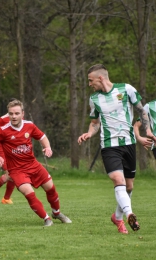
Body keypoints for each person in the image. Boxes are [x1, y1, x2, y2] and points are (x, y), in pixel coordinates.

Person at [78, 64, 156, 234]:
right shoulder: (94, 99)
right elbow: (95, 123)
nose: (89, 84)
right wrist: (89, 134)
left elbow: (142, 111)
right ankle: (130, 214)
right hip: (109, 146)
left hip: (128, 144)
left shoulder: (126, 89)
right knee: (118, 180)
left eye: (91, 80)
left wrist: (148, 130)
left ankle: (117, 217)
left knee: (129, 187)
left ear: (101, 78)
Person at [0, 99, 71, 226]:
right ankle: (47, 219)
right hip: (16, 170)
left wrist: (47, 147)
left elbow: (42, 137)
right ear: (8, 114)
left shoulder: (29, 126)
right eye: (11, 113)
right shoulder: (3, 130)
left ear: (22, 114)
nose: (13, 116)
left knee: (51, 188)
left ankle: (56, 213)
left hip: (33, 165)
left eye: (16, 113)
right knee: (29, 193)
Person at [0, 99, 17, 204]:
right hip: (3, 150)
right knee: (10, 173)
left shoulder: (20, 118)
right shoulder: (2, 120)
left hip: (15, 150)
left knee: (14, 174)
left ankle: (6, 198)